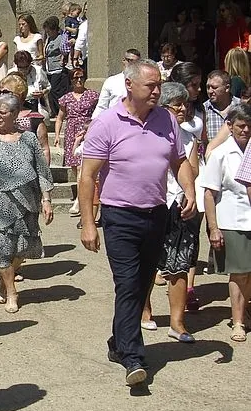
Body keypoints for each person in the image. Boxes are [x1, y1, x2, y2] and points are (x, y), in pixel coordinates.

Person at [79, 60, 195, 387]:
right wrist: (89, 222)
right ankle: (133, 357)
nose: (157, 91)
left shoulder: (166, 120)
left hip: (156, 214)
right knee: (128, 284)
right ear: (130, 85)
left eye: (159, 85)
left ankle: (118, 342)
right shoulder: (106, 123)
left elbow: (179, 160)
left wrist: (189, 189)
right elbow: (88, 176)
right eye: (151, 86)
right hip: (120, 217)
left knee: (142, 284)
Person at [0, 94, 53, 314]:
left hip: (27, 203)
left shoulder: (29, 139)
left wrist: (46, 200)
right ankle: (11, 291)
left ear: (16, 114)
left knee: (22, 248)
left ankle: (2, 280)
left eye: (3, 112)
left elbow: (42, 170)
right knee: (1, 248)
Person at [143, 82, 198, 343]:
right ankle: (145, 310)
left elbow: (193, 169)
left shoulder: (189, 137)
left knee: (179, 264)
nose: (183, 109)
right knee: (147, 263)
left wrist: (190, 194)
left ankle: (177, 323)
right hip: (153, 203)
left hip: (179, 204)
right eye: (177, 104)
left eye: (185, 104)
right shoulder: (150, 133)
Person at [200, 103, 251, 342]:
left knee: (249, 273)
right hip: (233, 219)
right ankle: (237, 321)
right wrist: (213, 228)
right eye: (241, 126)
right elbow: (209, 193)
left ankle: (245, 312)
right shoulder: (220, 153)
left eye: (249, 126)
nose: (246, 130)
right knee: (239, 274)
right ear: (229, 126)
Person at [54, 67, 98, 214]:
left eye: (81, 77)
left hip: (87, 131)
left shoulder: (92, 95)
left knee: (81, 169)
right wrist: (57, 136)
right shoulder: (66, 98)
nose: (79, 80)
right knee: (75, 169)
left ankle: (80, 201)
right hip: (71, 133)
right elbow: (60, 118)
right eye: (75, 78)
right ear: (71, 80)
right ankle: (82, 197)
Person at [0, 74, 51, 167]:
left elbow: (44, 149)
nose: (2, 95)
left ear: (20, 94)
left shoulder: (34, 119)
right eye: (0, 92)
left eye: (6, 92)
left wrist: (44, 176)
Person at [92, 49, 142, 119]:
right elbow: (101, 106)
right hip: (113, 121)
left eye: (136, 62)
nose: (132, 64)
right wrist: (93, 123)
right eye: (130, 61)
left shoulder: (142, 82)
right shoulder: (111, 81)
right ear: (123, 60)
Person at [42, 16, 68, 118]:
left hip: (58, 68)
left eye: (49, 31)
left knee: (55, 90)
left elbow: (64, 50)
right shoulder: (49, 39)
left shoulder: (60, 38)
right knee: (50, 92)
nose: (47, 33)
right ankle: (54, 111)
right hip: (49, 68)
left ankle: (61, 112)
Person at [204, 70, 239, 143]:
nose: (210, 91)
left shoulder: (241, 106)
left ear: (227, 88)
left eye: (214, 87)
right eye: (208, 87)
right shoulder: (203, 109)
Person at [215, 1, 249, 70]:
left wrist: (244, 49)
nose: (221, 13)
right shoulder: (220, 25)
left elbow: (246, 37)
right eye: (220, 10)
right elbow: (218, 42)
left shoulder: (239, 22)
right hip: (223, 55)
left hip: (236, 55)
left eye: (223, 10)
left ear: (230, 10)